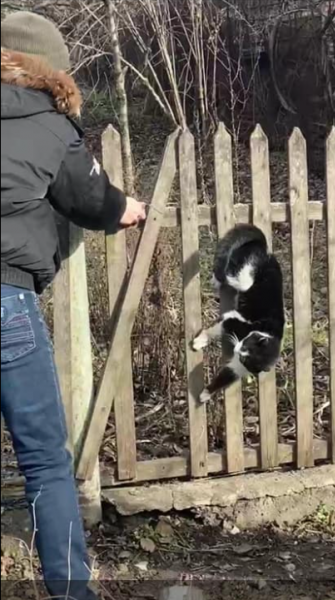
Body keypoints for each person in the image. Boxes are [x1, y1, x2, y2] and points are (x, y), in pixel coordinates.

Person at [1, 11, 146, 599]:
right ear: (49, 69)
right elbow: (89, 197)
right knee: (45, 462)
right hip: (6, 305)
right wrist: (124, 210)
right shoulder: (51, 125)